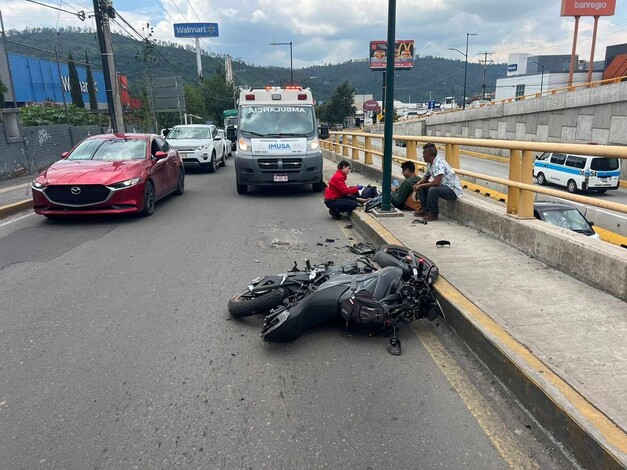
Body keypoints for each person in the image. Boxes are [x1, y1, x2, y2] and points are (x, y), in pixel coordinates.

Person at [412, 143, 463, 221]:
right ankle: (425, 210)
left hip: (452, 189)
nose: (422, 156)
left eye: (423, 154)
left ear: (427, 154)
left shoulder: (438, 163)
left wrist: (421, 186)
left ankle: (433, 214)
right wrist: (419, 183)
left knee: (432, 190)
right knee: (422, 186)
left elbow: (436, 183)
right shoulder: (429, 164)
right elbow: (426, 177)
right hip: (443, 186)